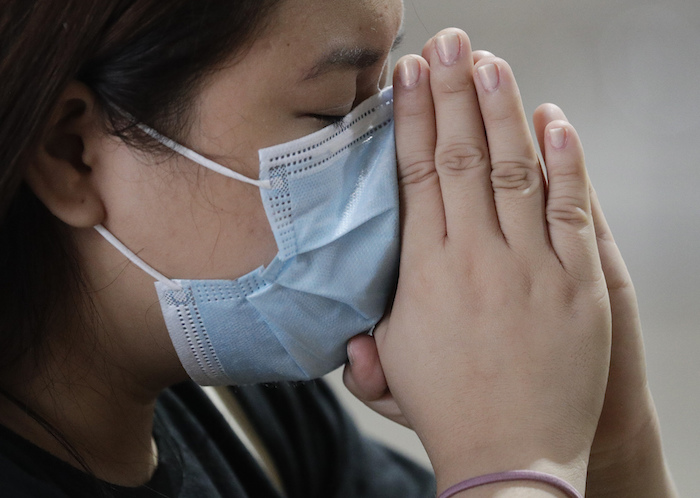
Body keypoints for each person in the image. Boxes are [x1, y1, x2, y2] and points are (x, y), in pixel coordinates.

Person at [0, 1, 678, 497]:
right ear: (73, 155)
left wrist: (607, 437)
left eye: (382, 96)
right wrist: (514, 463)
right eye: (330, 112)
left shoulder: (249, 416)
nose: (396, 162)